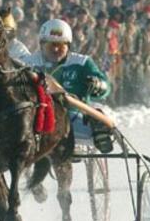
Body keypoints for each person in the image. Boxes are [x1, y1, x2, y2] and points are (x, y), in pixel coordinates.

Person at [22, 18, 113, 153]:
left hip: (74, 115)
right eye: (51, 45)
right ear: (42, 45)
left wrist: (98, 85)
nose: (56, 49)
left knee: (99, 119)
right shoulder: (27, 63)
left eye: (61, 45)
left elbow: (106, 86)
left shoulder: (82, 62)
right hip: (38, 116)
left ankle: (99, 138)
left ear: (68, 45)